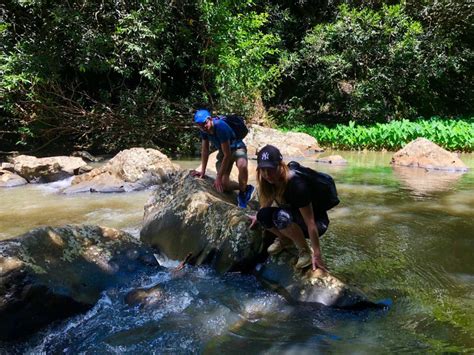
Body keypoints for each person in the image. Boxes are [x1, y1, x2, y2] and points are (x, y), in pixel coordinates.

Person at [248, 145, 329, 271]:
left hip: (318, 223)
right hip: (294, 216)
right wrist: (258, 216)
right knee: (263, 215)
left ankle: (304, 251)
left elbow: (311, 222)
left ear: (280, 165)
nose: (266, 174)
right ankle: (285, 239)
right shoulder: (271, 181)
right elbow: (268, 202)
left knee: (280, 217)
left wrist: (317, 255)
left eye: (270, 169)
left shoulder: (297, 185)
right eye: (263, 170)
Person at [191, 109, 255, 208]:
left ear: (209, 119)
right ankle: (245, 187)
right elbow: (205, 150)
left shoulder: (220, 127)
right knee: (224, 185)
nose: (203, 127)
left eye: (204, 124)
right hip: (224, 152)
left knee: (242, 164)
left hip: (237, 147)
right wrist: (202, 171)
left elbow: (228, 155)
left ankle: (243, 193)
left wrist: (218, 177)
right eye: (199, 125)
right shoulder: (204, 130)